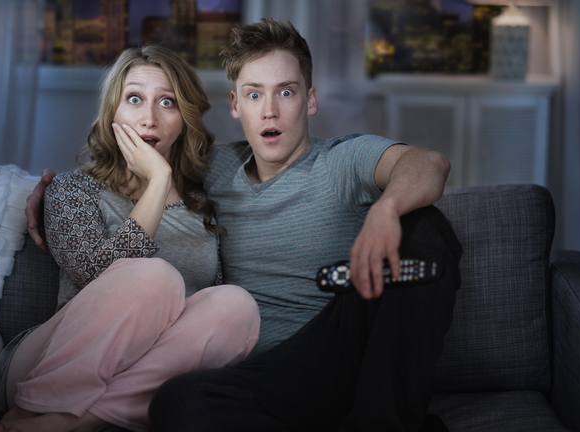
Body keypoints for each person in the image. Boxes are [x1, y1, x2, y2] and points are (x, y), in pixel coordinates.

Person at [26, 19, 462, 432]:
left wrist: (387, 209)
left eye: (286, 93)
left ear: (310, 99)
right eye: (254, 95)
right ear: (235, 105)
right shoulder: (211, 173)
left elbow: (427, 163)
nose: (270, 111)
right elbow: (139, 177)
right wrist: (39, 193)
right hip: (260, 376)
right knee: (178, 404)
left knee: (423, 224)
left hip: (339, 346)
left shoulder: (343, 160)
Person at [0, 45, 260, 432]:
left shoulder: (205, 201)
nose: (149, 118)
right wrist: (157, 182)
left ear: (183, 119)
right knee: (154, 276)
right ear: (113, 111)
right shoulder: (71, 190)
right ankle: (42, 407)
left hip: (145, 377)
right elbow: (100, 280)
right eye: (134, 99)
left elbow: (203, 323)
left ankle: (82, 421)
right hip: (53, 363)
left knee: (237, 305)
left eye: (166, 102)